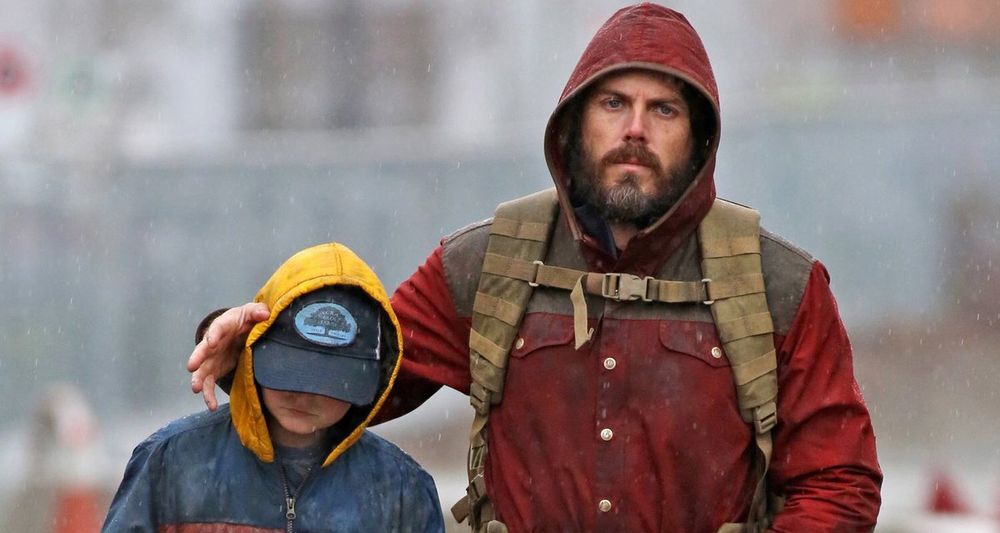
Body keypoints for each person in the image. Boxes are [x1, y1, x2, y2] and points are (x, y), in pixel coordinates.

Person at [188, 4, 882, 531]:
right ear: (575, 124)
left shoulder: (778, 285)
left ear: (699, 137)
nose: (635, 129)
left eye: (663, 109)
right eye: (614, 103)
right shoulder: (490, 261)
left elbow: (839, 480)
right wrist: (250, 344)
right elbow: (360, 374)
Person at [105, 243, 444, 532]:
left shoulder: (403, 490)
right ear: (253, 353)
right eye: (290, 372)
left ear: (371, 380)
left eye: (326, 381)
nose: (304, 395)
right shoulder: (170, 460)